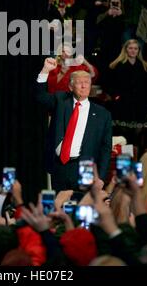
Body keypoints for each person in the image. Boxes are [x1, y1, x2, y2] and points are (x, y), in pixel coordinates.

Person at [36, 58, 112, 192]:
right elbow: (40, 96)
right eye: (79, 83)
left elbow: (105, 148)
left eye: (87, 82)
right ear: (70, 87)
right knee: (60, 209)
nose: (84, 86)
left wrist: (101, 176)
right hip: (60, 167)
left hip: (86, 168)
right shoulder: (60, 100)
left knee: (82, 210)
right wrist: (45, 70)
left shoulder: (102, 114)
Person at [106, 39, 147, 146]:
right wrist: (116, 96)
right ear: (125, 49)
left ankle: (137, 158)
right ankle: (124, 159)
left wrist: (146, 102)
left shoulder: (145, 67)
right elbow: (108, 84)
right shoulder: (116, 66)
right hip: (122, 105)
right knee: (123, 138)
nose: (133, 51)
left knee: (137, 138)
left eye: (135, 48)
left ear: (139, 50)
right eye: (130, 48)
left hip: (140, 107)